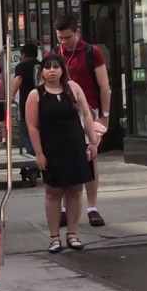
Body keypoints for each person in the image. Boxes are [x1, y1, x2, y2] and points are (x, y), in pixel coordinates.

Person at [25, 53, 98, 254]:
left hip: (74, 146)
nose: (52, 71)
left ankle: (72, 234)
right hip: (51, 148)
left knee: (75, 190)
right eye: (48, 67)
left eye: (56, 67)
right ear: (42, 71)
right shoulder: (36, 95)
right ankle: (54, 237)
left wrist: (92, 141)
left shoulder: (73, 89)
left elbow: (86, 115)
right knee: (53, 191)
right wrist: (39, 153)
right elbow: (32, 126)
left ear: (63, 69)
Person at [49, 14, 109, 227]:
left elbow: (104, 86)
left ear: (77, 32)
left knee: (90, 158)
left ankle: (92, 207)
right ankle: (66, 208)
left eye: (67, 37)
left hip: (88, 112)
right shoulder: (56, 54)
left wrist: (105, 116)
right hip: (63, 114)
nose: (63, 42)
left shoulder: (91, 52)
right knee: (65, 159)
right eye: (59, 38)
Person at [7, 42, 40, 156]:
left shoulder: (22, 66)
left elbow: (19, 79)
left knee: (27, 133)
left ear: (23, 55)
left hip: (27, 105)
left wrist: (10, 97)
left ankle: (32, 164)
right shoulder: (42, 65)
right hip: (42, 104)